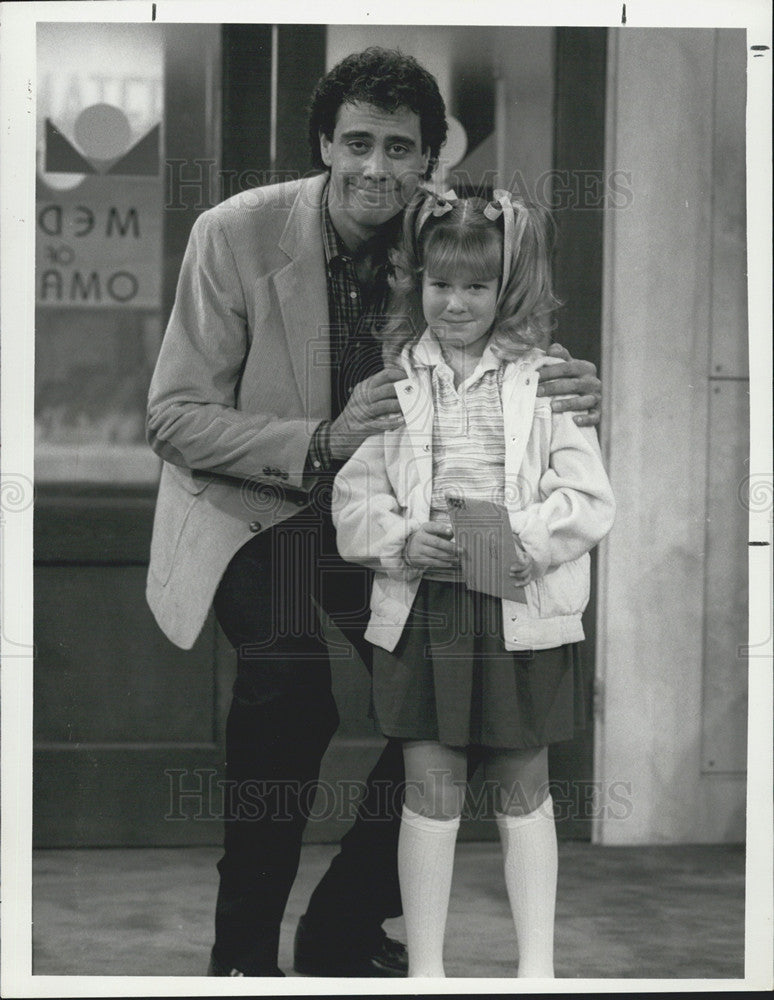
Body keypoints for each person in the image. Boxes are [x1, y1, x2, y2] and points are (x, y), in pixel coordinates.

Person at [145, 47, 603, 978]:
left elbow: (506, 324)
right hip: (257, 509)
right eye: (357, 143)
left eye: (401, 149)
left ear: (428, 160)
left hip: (391, 521)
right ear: (324, 143)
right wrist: (319, 437)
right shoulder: (233, 233)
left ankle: (344, 924)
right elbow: (172, 417)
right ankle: (239, 958)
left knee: (458, 702)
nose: (375, 169)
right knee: (287, 689)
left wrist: (569, 381)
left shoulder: (435, 235)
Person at [332, 189, 616, 977]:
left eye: (476, 288)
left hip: (517, 601)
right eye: (440, 285)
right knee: (431, 787)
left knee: (524, 785)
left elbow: (592, 500)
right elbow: (353, 505)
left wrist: (520, 538)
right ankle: (426, 973)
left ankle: (538, 972)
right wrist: (401, 539)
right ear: (415, 282)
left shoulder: (546, 380)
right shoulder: (394, 383)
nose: (455, 304)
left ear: (505, 290)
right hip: (429, 605)